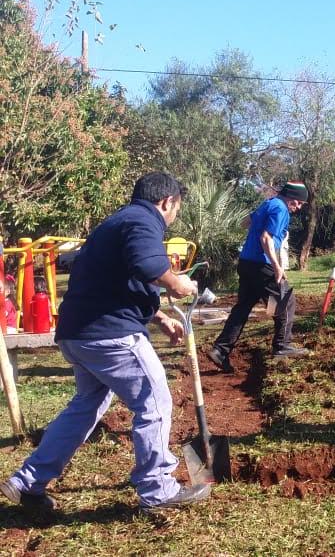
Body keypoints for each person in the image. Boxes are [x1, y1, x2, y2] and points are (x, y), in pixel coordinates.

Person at [1, 172, 210, 512]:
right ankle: (157, 490)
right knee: (155, 403)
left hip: (78, 334)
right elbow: (149, 265)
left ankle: (28, 482)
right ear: (167, 202)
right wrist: (178, 285)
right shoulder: (144, 220)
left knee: (85, 407)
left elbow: (116, 283)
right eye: (176, 209)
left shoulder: (114, 225)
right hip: (110, 336)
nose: (174, 217)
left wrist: (159, 316)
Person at [207, 181, 309, 373]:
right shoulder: (281, 209)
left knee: (243, 308)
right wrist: (277, 267)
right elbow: (266, 238)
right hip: (261, 264)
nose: (299, 208)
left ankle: (220, 350)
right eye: (299, 204)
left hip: (246, 262)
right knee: (286, 300)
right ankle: (282, 346)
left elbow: (245, 222)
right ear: (293, 200)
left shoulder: (269, 203)